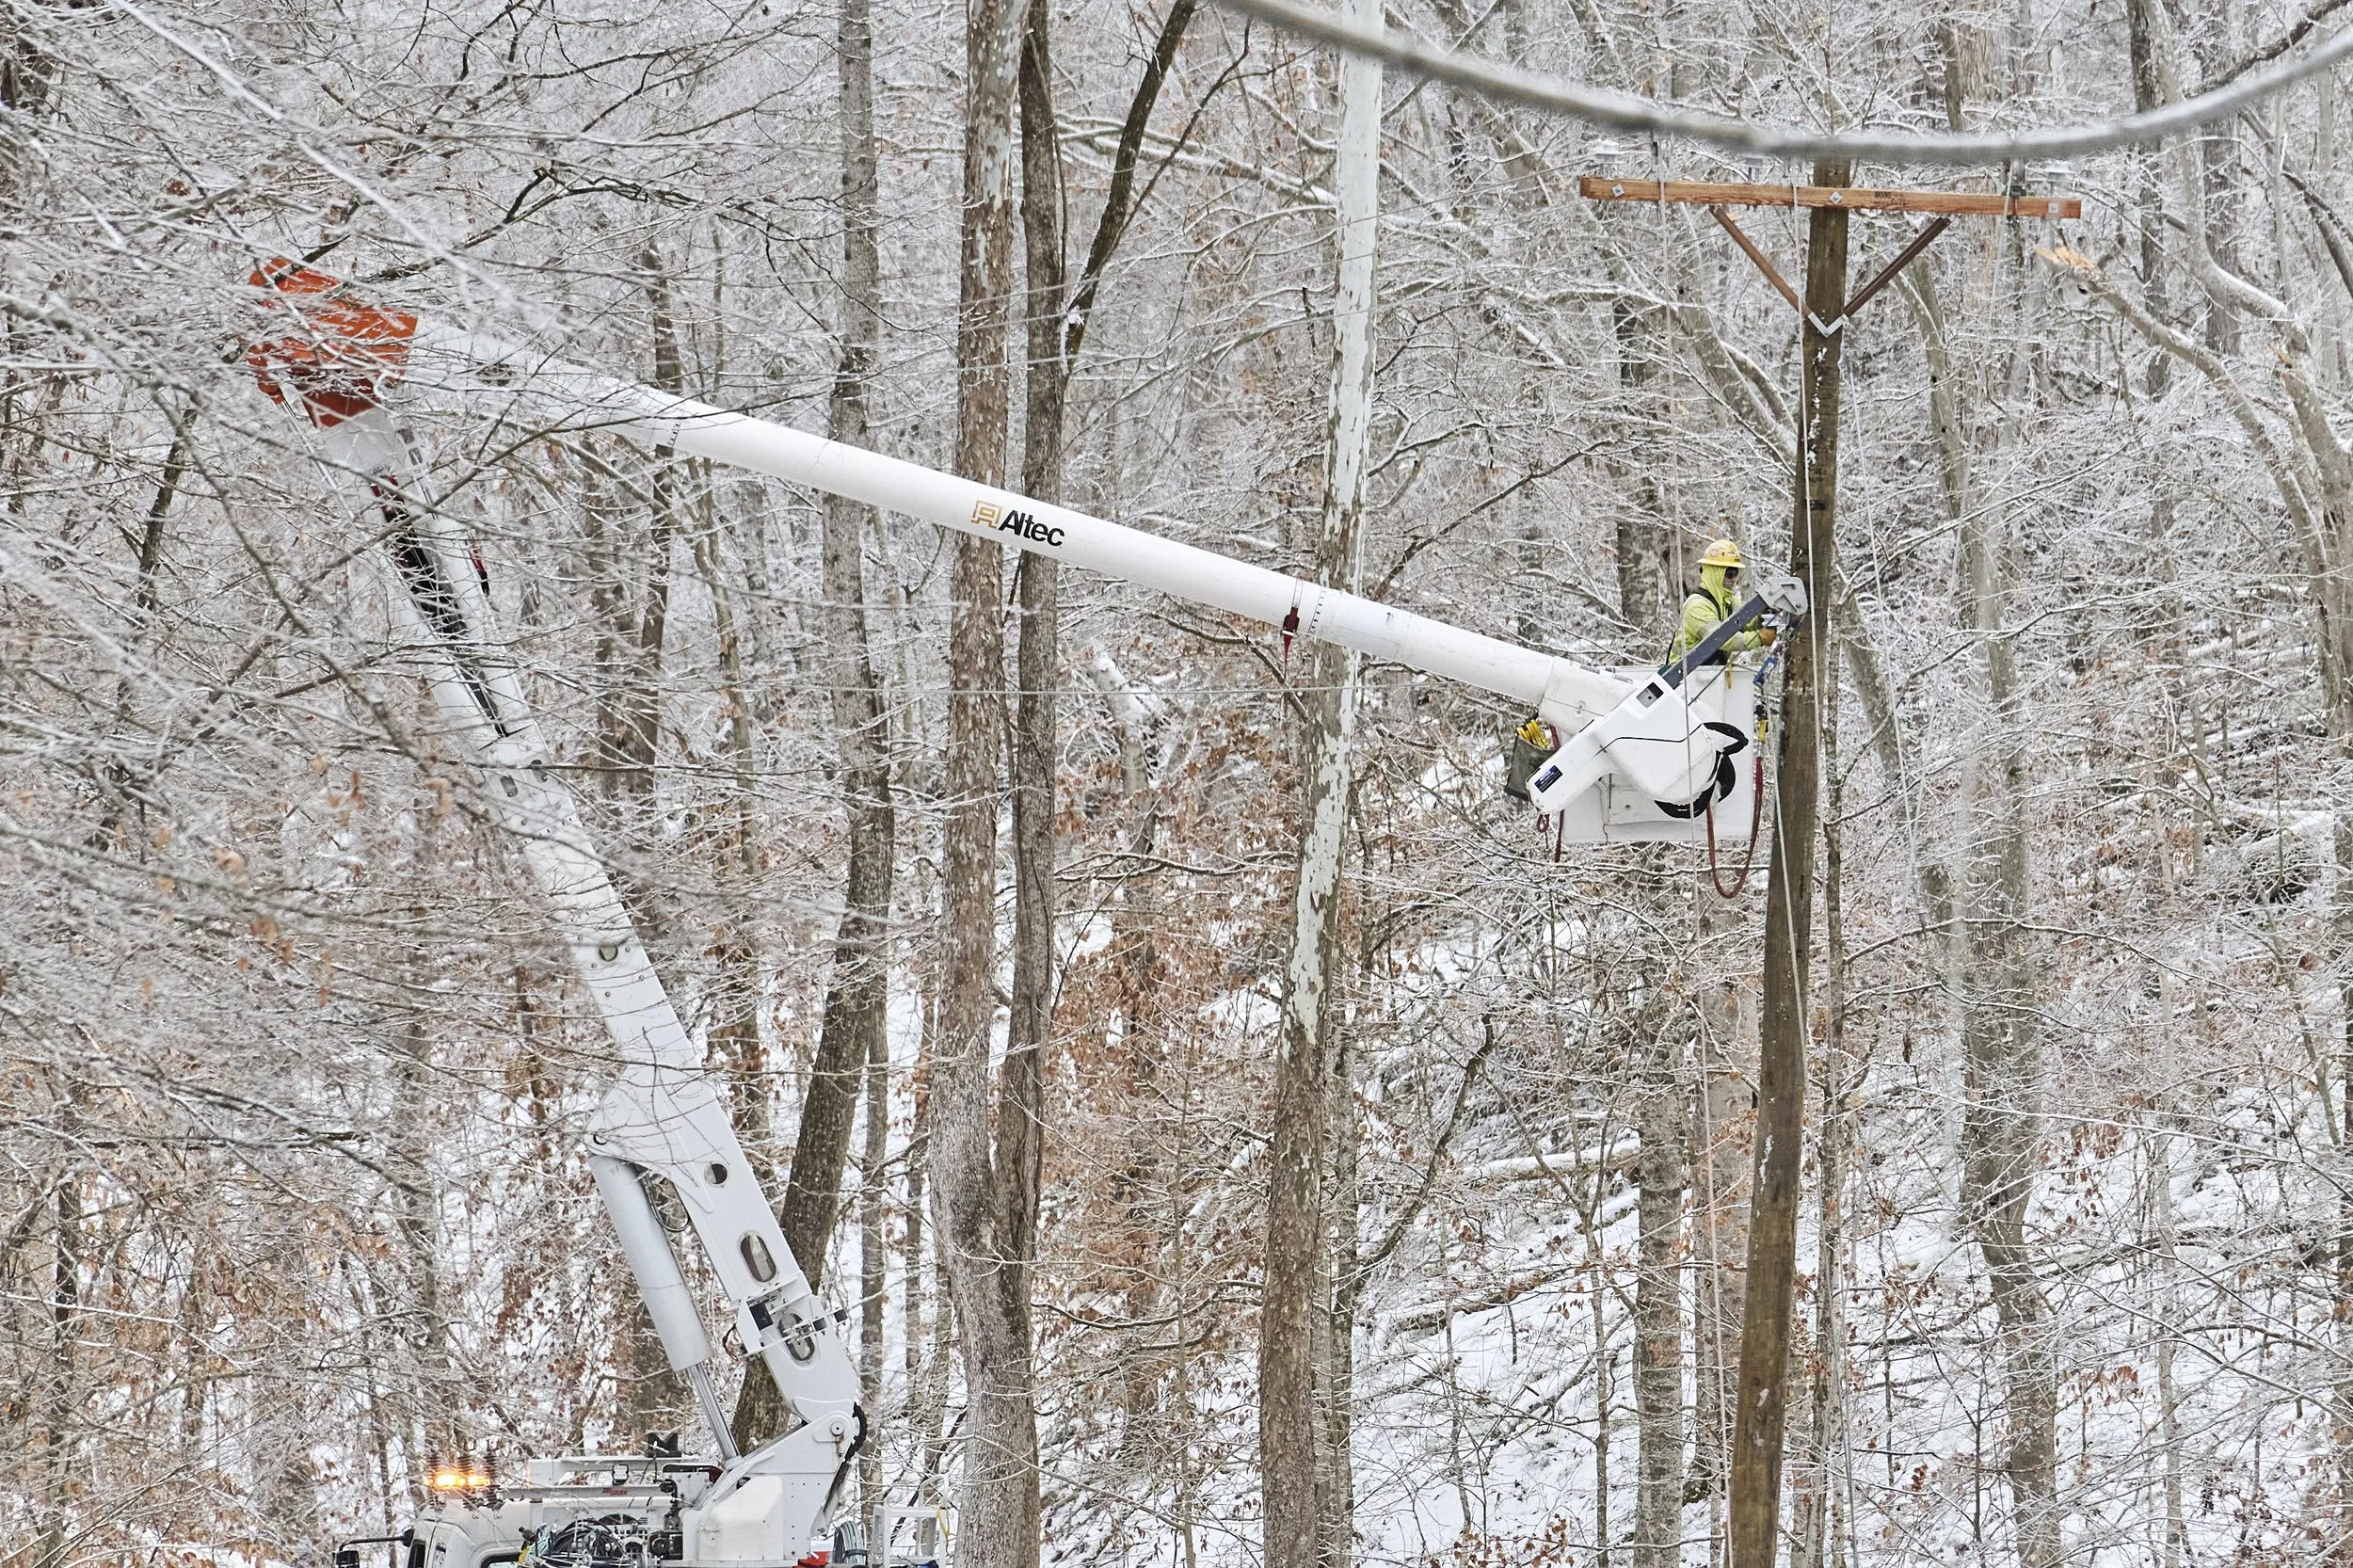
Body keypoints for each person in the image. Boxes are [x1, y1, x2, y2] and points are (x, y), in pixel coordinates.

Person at [1671, 536, 1776, 664]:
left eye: (1735, 573)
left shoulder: (1730, 602)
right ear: (1715, 573)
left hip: (1705, 673)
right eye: (1729, 574)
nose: (1733, 579)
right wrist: (1759, 638)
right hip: (1681, 678)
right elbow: (1720, 639)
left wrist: (1762, 614)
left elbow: (1747, 625)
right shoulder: (1696, 605)